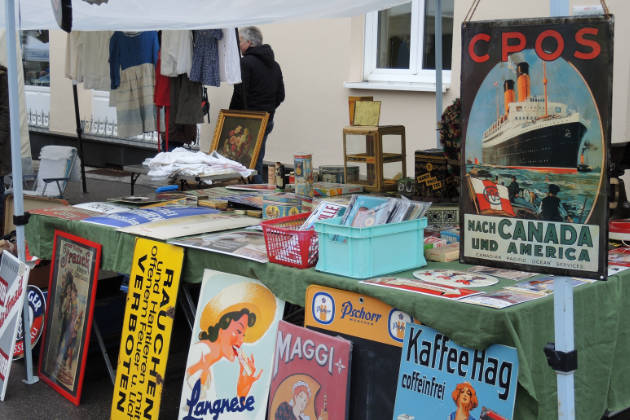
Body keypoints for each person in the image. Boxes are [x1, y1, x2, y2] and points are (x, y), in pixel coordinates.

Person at [230, 26, 285, 183]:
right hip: (267, 118)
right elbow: (281, 95)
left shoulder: (245, 63)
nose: (238, 45)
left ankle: (257, 195)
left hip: (247, 121)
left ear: (249, 42)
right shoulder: (275, 65)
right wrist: (268, 109)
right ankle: (254, 192)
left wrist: (232, 118)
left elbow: (239, 93)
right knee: (257, 160)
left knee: (248, 164)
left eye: (240, 41)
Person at [185, 307, 261, 398]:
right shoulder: (198, 352)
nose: (240, 341)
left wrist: (242, 389)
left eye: (243, 335)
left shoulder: (210, 367)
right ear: (222, 328)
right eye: (238, 331)